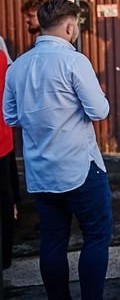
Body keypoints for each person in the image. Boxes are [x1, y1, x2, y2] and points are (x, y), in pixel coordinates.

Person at [3, 0, 112, 300]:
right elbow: (99, 110)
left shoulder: (18, 66)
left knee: (52, 241)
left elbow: (10, 117)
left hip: (41, 171)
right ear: (69, 26)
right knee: (96, 237)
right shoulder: (74, 61)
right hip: (80, 168)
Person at [0, 39, 20, 271]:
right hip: (2, 139)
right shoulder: (2, 58)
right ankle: (4, 258)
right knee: (4, 196)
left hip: (3, 138)